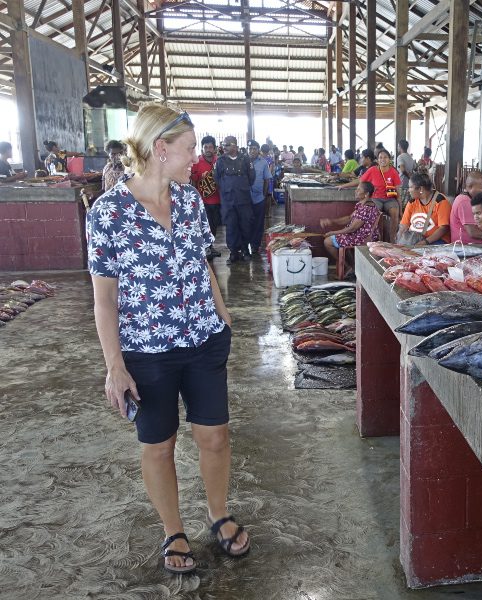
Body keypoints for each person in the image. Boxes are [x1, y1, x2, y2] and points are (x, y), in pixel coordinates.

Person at [85, 104, 249, 576]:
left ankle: (218, 514)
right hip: (146, 352)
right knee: (159, 444)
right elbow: (104, 301)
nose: (197, 157)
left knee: (214, 436)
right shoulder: (108, 213)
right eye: (190, 147)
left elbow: (202, 263)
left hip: (203, 340)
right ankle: (173, 529)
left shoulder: (191, 200)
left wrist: (222, 313)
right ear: (161, 150)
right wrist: (115, 364)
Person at [320, 181, 381, 275]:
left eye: (359, 189)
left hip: (361, 238)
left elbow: (352, 228)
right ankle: (352, 266)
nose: (356, 191)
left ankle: (347, 267)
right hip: (355, 235)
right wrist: (331, 221)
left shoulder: (367, 208)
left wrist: (333, 233)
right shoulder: (362, 205)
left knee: (327, 242)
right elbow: (349, 218)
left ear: (366, 194)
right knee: (337, 240)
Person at [214, 135, 255, 265]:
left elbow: (251, 177)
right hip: (228, 200)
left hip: (244, 199)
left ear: (234, 146)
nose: (223, 147)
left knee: (245, 225)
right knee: (231, 226)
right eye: (223, 145)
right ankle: (233, 252)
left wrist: (240, 186)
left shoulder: (245, 159)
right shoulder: (220, 161)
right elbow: (217, 178)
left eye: (226, 145)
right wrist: (228, 187)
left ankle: (245, 250)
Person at [190, 136, 223, 260]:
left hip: (218, 199)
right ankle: (205, 247)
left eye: (210, 147)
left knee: (214, 225)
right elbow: (193, 181)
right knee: (204, 225)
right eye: (205, 147)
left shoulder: (219, 161)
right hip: (203, 201)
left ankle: (210, 246)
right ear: (202, 149)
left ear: (214, 149)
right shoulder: (196, 162)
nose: (208, 149)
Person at [360, 149, 402, 243]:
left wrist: (401, 210)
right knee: (374, 212)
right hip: (376, 198)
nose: (383, 159)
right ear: (377, 160)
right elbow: (361, 182)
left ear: (389, 159)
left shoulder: (394, 172)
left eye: (385, 157)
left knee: (395, 213)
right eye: (380, 157)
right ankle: (373, 237)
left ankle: (392, 239)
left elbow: (398, 193)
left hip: (390, 199)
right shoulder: (372, 170)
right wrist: (365, 198)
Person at [398, 173, 452, 245]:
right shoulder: (412, 202)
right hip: (414, 239)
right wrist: (398, 243)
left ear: (420, 189)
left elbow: (443, 228)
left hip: (436, 241)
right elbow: (404, 225)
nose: (408, 190)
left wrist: (425, 242)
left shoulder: (440, 202)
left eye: (410, 187)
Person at [247, 140, 272, 256]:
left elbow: (267, 180)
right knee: (246, 222)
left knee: (258, 223)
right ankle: (245, 245)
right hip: (245, 199)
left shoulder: (263, 163)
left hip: (259, 198)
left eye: (254, 148)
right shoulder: (243, 161)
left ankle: (255, 246)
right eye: (250, 148)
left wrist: (264, 194)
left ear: (258, 150)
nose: (252, 151)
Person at [450, 170, 482, 244]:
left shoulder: (468, 199)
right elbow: (473, 232)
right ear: (470, 187)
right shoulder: (464, 201)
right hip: (468, 248)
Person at [395, 139, 417, 209]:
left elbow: (402, 169)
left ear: (400, 147)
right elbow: (415, 168)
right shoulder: (410, 157)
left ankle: (401, 219)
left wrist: (409, 176)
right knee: (407, 204)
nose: (397, 147)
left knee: (400, 205)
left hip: (402, 183)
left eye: (398, 146)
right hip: (409, 184)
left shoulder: (400, 157)